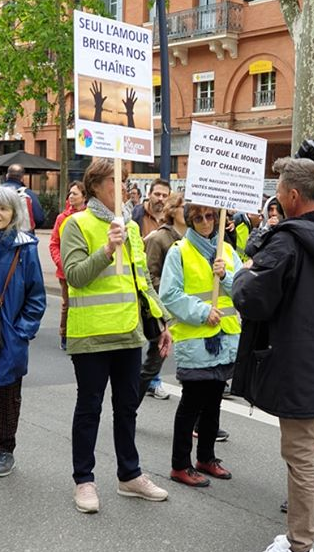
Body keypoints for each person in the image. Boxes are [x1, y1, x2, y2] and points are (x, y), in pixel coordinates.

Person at [231, 157, 314, 552]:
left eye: (278, 192)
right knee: (309, 450)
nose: (276, 198)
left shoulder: (289, 240)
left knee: (300, 454)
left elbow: (250, 297)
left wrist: (245, 269)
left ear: (291, 195)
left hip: (299, 363)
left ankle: (301, 543)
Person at [60, 158, 172, 513]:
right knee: (89, 408)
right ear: (95, 185)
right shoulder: (76, 224)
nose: (122, 187)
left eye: (124, 180)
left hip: (128, 333)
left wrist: (162, 322)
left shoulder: (132, 229)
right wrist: (107, 249)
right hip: (91, 335)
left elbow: (142, 282)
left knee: (127, 408)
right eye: (114, 180)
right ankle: (84, 481)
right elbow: (75, 276)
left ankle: (129, 475)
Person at [159, 204, 242, 487]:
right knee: (192, 404)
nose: (206, 222)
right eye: (199, 218)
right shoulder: (179, 251)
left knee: (214, 402)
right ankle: (179, 464)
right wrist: (201, 312)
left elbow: (243, 290)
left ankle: (206, 457)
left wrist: (225, 276)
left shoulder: (227, 252)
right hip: (196, 340)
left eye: (210, 216)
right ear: (190, 221)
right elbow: (169, 295)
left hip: (225, 339)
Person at [0, 187, 46, 477]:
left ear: (14, 213)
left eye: (3, 209)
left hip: (9, 335)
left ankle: (5, 450)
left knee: (8, 396)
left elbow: (36, 297)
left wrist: (21, 332)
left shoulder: (24, 247)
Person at [139, 192, 186, 402]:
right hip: (164, 310)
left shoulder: (194, 239)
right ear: (173, 210)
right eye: (185, 206)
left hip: (186, 309)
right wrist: (172, 288)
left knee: (195, 371)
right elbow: (149, 276)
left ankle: (200, 421)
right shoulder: (159, 238)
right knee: (152, 365)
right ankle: (129, 409)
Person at [49, 181, 87, 350]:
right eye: (70, 194)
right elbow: (54, 244)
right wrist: (61, 263)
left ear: (84, 197)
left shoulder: (89, 217)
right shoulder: (62, 218)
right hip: (65, 271)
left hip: (85, 268)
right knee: (67, 303)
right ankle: (65, 334)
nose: (71, 197)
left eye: (75, 194)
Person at [2, 164, 45, 231]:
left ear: (7, 175)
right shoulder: (28, 194)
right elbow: (39, 219)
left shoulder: (1, 191)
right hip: (23, 237)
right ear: (22, 178)